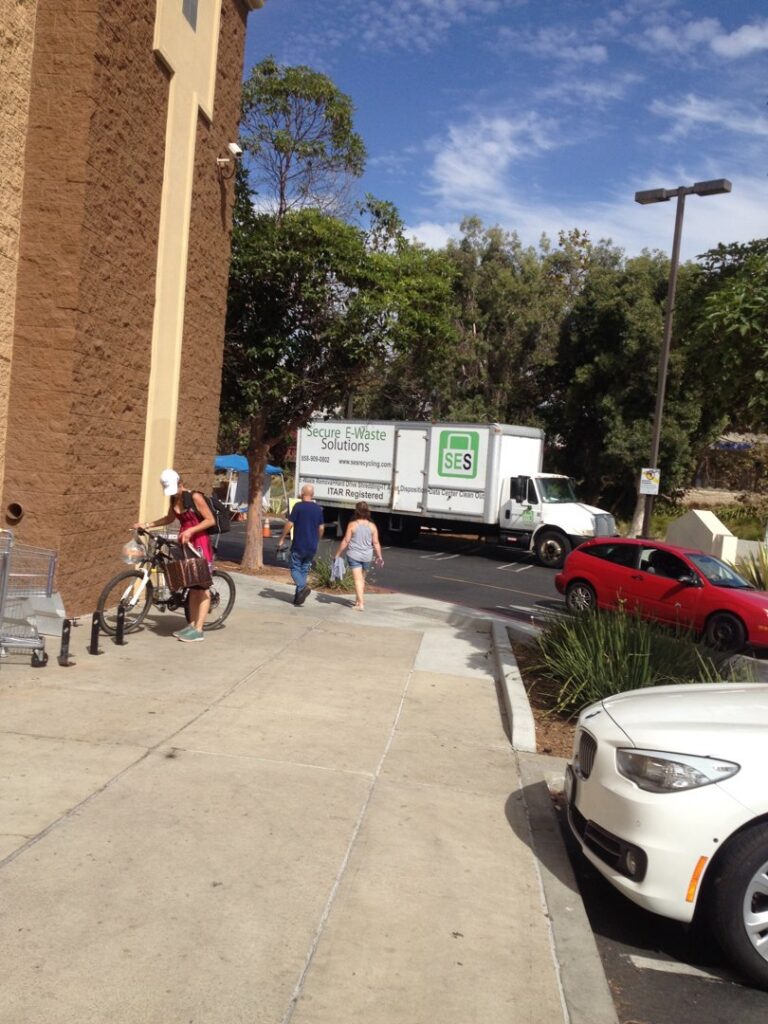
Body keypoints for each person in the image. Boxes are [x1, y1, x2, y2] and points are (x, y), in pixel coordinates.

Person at [135, 468, 215, 642]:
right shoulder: (174, 498)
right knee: (192, 586)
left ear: (181, 483)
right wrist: (147, 524)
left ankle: (199, 629)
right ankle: (192, 625)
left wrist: (191, 530)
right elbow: (169, 519)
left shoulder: (195, 497)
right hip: (185, 543)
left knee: (202, 587)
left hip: (199, 544)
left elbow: (210, 520)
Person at [276, 484, 325, 606]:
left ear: (303, 493)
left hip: (299, 544)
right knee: (303, 569)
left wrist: (282, 538)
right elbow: (321, 528)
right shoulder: (318, 509)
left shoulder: (298, 507)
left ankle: (303, 586)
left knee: (294, 568)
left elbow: (289, 524)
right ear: (312, 494)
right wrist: (317, 539)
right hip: (312, 545)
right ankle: (298, 597)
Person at [335, 501, 383, 611]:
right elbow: (376, 543)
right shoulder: (372, 526)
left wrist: (338, 554)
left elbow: (346, 540)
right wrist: (379, 556)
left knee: (357, 580)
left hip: (354, 555)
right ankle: (358, 600)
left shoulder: (352, 524)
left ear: (356, 511)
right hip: (367, 556)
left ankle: (360, 604)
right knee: (362, 579)